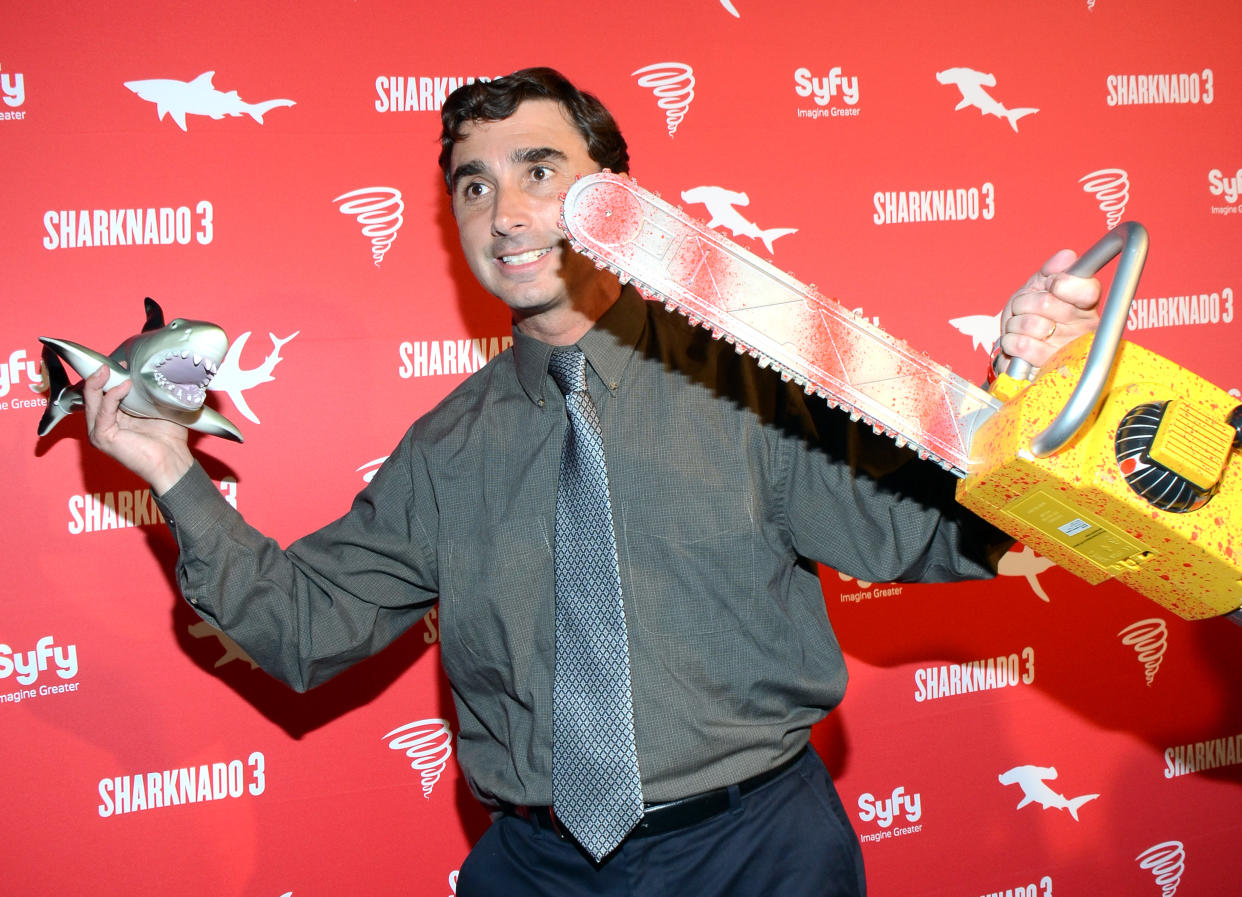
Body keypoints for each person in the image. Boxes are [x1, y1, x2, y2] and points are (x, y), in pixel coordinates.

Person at [81, 67, 1101, 897]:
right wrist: (171, 468)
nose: (507, 213)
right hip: (535, 871)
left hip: (759, 858)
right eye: (474, 187)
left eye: (540, 171)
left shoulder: (755, 380)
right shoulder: (446, 450)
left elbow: (929, 528)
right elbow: (304, 631)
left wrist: (1018, 393)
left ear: (621, 199)